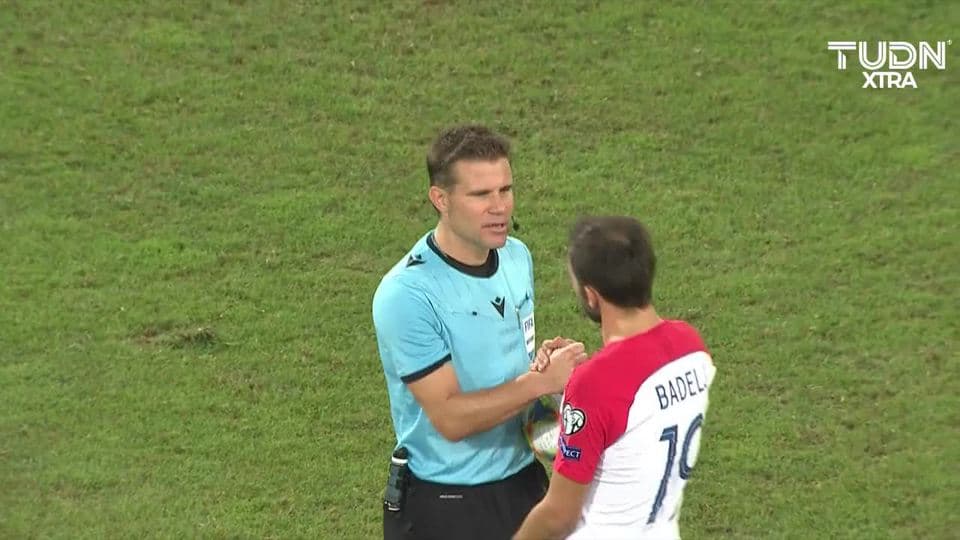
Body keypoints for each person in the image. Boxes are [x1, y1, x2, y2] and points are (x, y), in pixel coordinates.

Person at [372, 124, 587, 540]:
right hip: (447, 505)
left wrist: (546, 383)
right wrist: (541, 381)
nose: (499, 207)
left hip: (524, 485)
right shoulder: (408, 294)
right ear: (441, 199)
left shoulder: (516, 258)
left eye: (505, 190)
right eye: (481, 195)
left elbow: (516, 387)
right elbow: (450, 419)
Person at [514, 216, 718, 540]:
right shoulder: (691, 346)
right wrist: (575, 387)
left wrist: (582, 384)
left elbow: (558, 516)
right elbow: (629, 433)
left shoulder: (596, 385)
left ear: (591, 296)